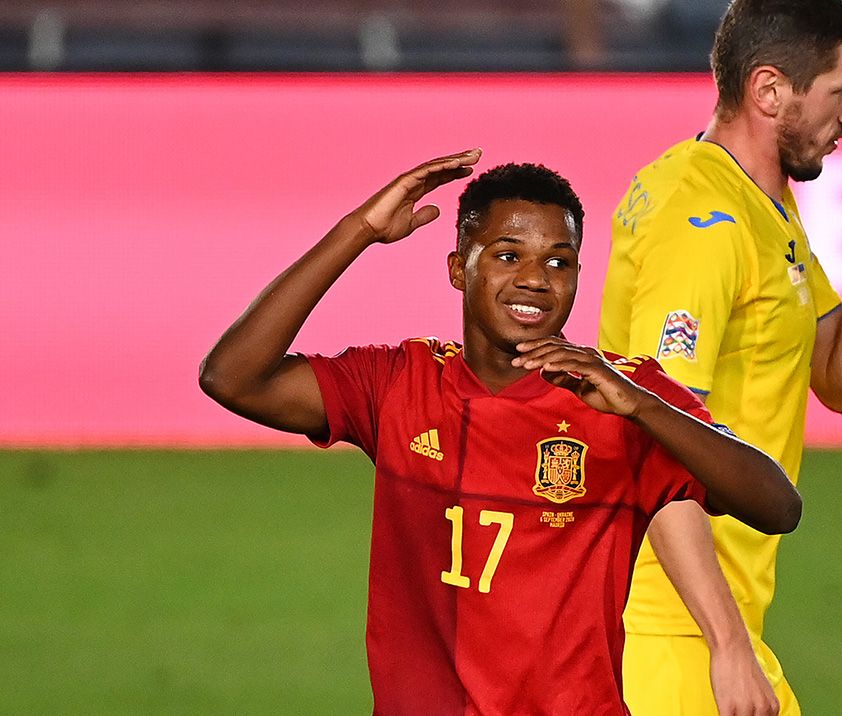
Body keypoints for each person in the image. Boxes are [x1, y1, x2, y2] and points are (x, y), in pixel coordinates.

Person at [198, 149, 803, 715]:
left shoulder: (620, 396)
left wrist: (646, 409)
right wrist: (359, 229)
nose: (536, 278)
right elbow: (231, 377)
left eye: (558, 261)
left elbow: (778, 506)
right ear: (460, 270)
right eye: (508, 255)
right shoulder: (398, 383)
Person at [598, 1, 842, 714]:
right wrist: (727, 647)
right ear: (769, 91)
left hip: (711, 624)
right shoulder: (701, 222)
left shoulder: (761, 200)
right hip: (669, 632)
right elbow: (649, 434)